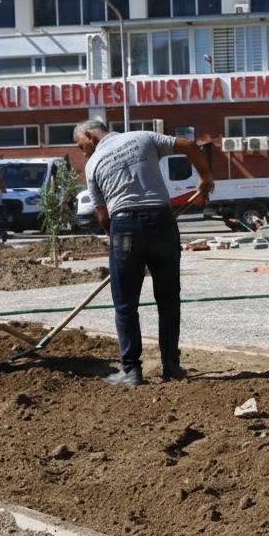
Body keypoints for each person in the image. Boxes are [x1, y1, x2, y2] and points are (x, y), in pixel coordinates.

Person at [73, 119, 214, 386]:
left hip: (124, 224)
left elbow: (102, 215)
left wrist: (117, 239)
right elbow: (188, 144)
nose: (83, 152)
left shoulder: (92, 164)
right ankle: (171, 366)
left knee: (125, 304)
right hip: (162, 220)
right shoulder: (142, 137)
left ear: (90, 136)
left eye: (81, 146)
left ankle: (131, 371)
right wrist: (205, 177)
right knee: (168, 298)